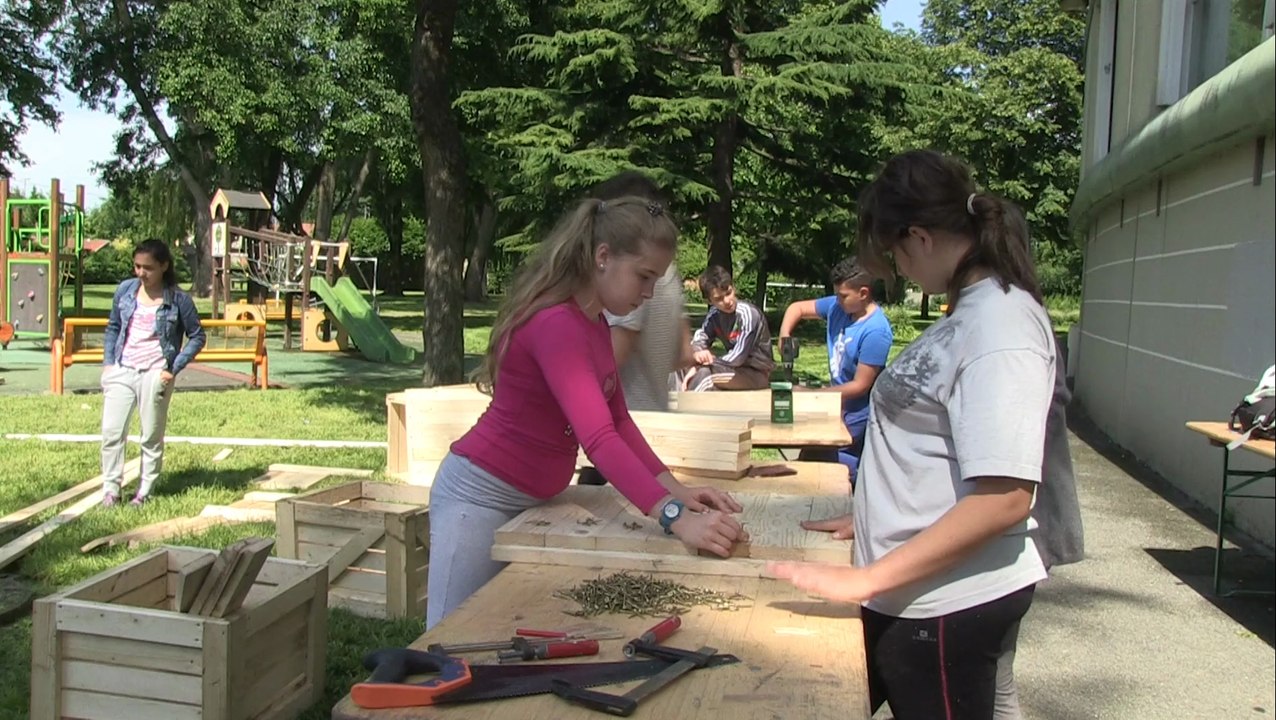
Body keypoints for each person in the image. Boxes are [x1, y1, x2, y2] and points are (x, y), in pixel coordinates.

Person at [769, 149, 1057, 720]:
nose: (893, 271)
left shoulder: (1001, 328)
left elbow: (1003, 499)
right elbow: (935, 451)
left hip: (946, 606)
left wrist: (866, 579)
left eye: (894, 254)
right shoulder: (969, 312)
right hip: (914, 591)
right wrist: (871, 513)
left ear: (920, 237)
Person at [426, 195, 747, 630]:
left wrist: (677, 491)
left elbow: (619, 422)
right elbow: (598, 440)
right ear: (602, 257)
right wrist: (672, 517)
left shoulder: (594, 323)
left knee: (500, 637)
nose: (649, 292)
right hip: (478, 499)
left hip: (533, 503)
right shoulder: (557, 324)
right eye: (644, 276)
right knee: (446, 644)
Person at [580, 171, 695, 486]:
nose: (647, 292)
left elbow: (604, 370)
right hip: (647, 434)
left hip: (621, 444)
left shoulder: (632, 276)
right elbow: (685, 354)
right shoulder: (664, 271)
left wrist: (673, 505)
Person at [100, 239, 205, 508]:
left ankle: (144, 491)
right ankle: (111, 491)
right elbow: (113, 327)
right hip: (122, 369)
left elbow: (197, 336)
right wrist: (109, 363)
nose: (141, 273)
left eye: (148, 268)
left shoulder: (179, 300)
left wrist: (172, 369)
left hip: (156, 373)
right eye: (137, 266)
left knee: (150, 436)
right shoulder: (125, 291)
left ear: (164, 266)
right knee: (112, 432)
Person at [778, 256, 893, 481]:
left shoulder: (876, 332)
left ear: (863, 293)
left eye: (843, 296)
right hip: (835, 404)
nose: (837, 300)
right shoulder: (837, 306)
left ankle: (863, 477)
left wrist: (813, 395)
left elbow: (860, 385)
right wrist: (784, 335)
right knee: (810, 453)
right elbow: (797, 308)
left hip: (859, 413)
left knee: (823, 463)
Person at [679, 266, 775, 392]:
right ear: (709, 301)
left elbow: (738, 357)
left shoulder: (748, 314)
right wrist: (697, 354)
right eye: (719, 299)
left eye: (729, 293)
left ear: (733, 287)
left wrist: (704, 364)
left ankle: (687, 408)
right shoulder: (714, 315)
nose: (727, 301)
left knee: (705, 375)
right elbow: (700, 340)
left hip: (755, 373)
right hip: (731, 370)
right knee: (680, 366)